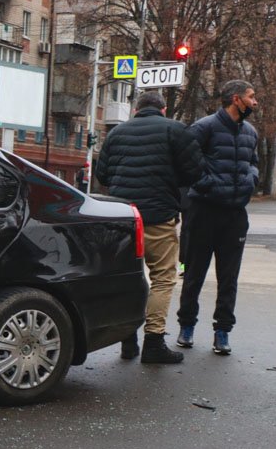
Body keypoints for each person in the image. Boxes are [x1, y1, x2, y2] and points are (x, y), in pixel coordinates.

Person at [94, 90, 203, 363]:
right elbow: (194, 172)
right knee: (163, 279)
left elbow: (103, 174)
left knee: (127, 277)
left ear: (135, 110)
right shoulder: (176, 131)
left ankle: (127, 339)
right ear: (164, 109)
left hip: (122, 218)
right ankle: (154, 342)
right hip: (158, 217)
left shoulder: (116, 133)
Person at [176, 80, 259, 356]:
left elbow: (254, 164)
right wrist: (207, 183)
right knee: (194, 273)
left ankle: (222, 332)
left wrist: (251, 180)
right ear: (236, 99)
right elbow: (185, 161)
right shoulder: (205, 127)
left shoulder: (250, 132)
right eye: (251, 97)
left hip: (235, 216)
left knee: (229, 278)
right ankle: (186, 327)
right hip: (204, 211)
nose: (255, 102)